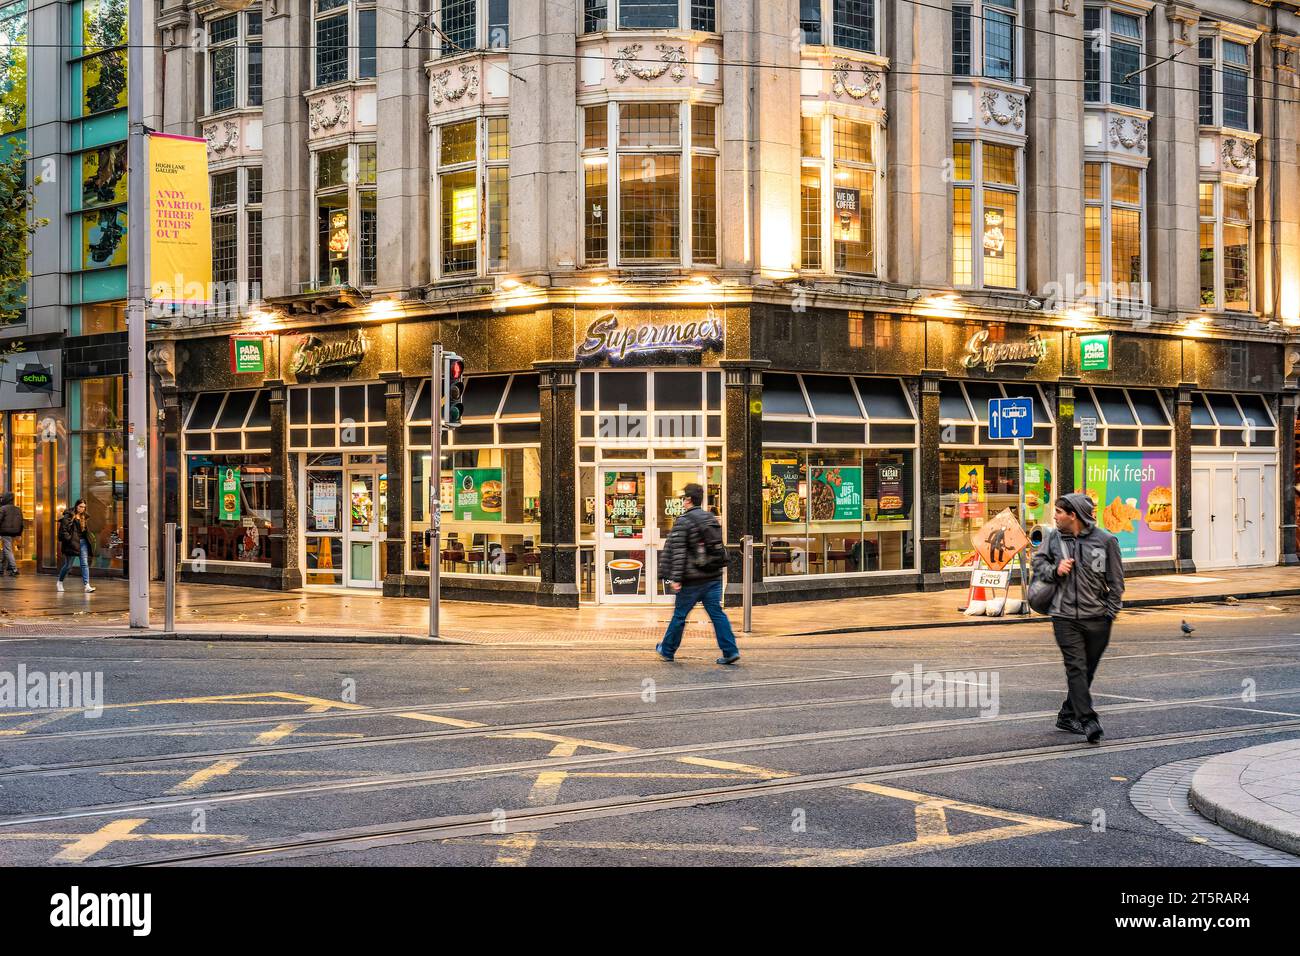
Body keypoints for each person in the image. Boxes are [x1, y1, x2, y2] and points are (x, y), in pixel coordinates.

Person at [1032, 493, 1124, 744]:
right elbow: (1037, 564)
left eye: (1059, 512)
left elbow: (1116, 582)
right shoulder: (1053, 538)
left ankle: (1067, 713)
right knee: (1076, 667)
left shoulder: (1105, 541)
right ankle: (1088, 720)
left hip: (1097, 617)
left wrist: (1110, 613)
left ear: (1073, 515)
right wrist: (1055, 570)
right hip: (1063, 616)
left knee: (1087, 671)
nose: (1055, 516)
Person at [654, 483, 740, 665]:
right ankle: (730, 651)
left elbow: (678, 552)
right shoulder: (710, 518)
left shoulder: (683, 521)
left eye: (684, 498)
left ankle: (667, 650)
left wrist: (676, 578)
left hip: (692, 580)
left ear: (688, 500)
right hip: (713, 577)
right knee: (717, 614)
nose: (683, 501)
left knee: (679, 615)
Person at [56, 499, 96, 594]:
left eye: (84, 507)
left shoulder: (84, 517)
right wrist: (69, 539)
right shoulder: (69, 516)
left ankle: (87, 585)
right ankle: (60, 582)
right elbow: (63, 530)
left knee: (84, 563)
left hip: (82, 543)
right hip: (71, 543)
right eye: (80, 506)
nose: (82, 509)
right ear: (76, 506)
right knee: (68, 565)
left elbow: (85, 531)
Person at [0, 491, 22, 576]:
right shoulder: (18, 509)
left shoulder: (3, 508)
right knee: (6, 550)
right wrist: (19, 534)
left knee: (7, 550)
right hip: (15, 533)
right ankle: (1, 568)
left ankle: (14, 569)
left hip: (5, 532)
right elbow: (21, 523)